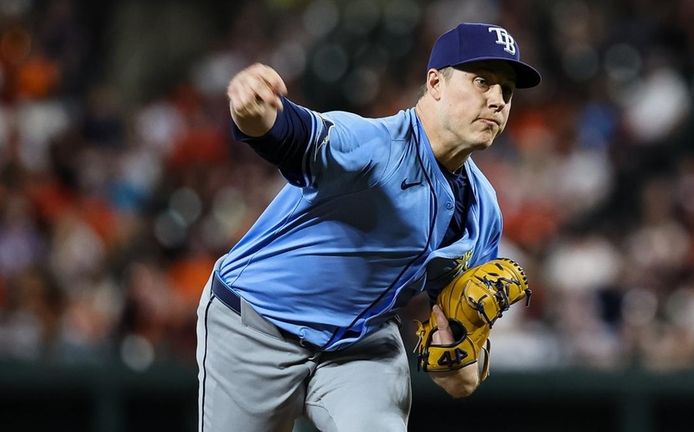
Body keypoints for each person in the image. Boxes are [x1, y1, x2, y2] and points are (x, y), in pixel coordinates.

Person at [196, 22, 541, 432]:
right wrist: (253, 111)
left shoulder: (484, 209)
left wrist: (461, 358)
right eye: (482, 81)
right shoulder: (375, 146)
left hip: (361, 344)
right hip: (256, 325)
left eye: (506, 90)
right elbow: (288, 132)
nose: (497, 100)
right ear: (435, 83)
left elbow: (458, 369)